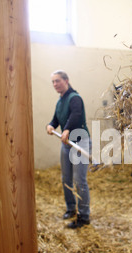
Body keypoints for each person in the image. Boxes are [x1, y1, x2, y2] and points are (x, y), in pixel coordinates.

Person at [46, 70, 91, 229]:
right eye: (53, 82)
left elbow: (76, 115)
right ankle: (71, 208)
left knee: (80, 181)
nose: (55, 84)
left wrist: (67, 129)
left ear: (66, 80)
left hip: (80, 143)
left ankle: (84, 216)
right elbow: (56, 118)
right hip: (67, 145)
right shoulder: (60, 101)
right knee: (66, 179)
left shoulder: (75, 98)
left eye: (57, 81)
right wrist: (51, 125)